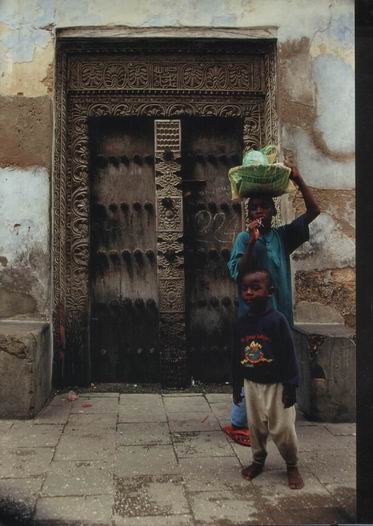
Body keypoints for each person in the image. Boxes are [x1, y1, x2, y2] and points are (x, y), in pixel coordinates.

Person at [224, 162, 320, 445]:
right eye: (253, 208)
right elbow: (237, 272)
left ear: (274, 211)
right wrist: (252, 243)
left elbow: (314, 212)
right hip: (251, 320)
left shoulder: (281, 237)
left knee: (278, 364)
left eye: (263, 207)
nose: (257, 211)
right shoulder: (243, 239)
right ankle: (239, 421)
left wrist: (300, 181)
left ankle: (274, 415)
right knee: (250, 364)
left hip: (279, 317)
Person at [232, 268, 304, 489]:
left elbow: (289, 355)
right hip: (252, 384)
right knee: (255, 427)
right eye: (245, 289)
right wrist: (236, 386)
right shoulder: (241, 323)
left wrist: (291, 386)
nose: (250, 293)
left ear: (270, 290)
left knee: (282, 428)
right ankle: (258, 460)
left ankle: (292, 465)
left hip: (277, 385)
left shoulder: (277, 321)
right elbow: (235, 355)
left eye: (256, 288)